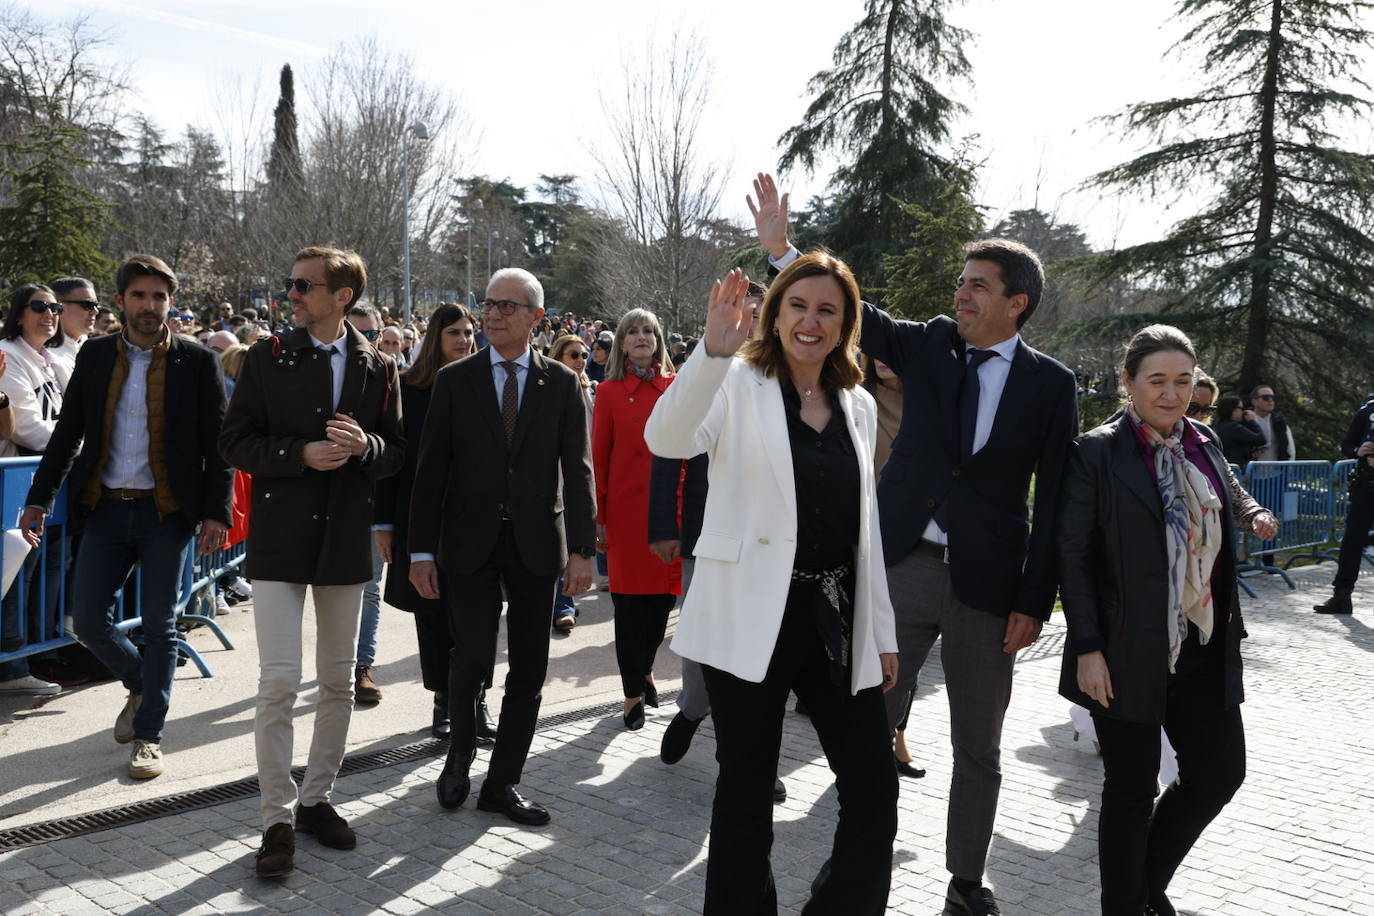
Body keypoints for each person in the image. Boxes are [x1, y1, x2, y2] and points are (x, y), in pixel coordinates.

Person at [752, 171, 1077, 916]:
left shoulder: (1052, 385)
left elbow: (1055, 498)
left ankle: (966, 884)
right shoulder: (930, 345)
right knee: (866, 728)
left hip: (990, 588)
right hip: (898, 566)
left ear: (1015, 302)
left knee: (979, 750)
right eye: (960, 283)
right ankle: (850, 873)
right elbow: (856, 312)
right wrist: (782, 253)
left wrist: (1037, 599)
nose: (960, 295)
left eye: (977, 287)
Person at [645, 261, 898, 914]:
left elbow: (862, 528)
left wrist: (883, 634)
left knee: (874, 791)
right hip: (748, 617)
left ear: (846, 324)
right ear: (776, 313)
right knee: (746, 795)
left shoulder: (859, 405)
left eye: (827, 311)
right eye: (799, 306)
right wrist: (710, 351)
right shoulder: (734, 382)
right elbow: (666, 438)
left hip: (835, 617)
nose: (811, 322)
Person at [1058, 324, 1277, 916]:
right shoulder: (1097, 451)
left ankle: (1144, 889)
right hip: (1124, 648)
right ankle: (1124, 906)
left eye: (1183, 380)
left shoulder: (1203, 440)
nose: (1172, 392)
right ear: (1129, 383)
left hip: (1201, 644)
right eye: (1157, 380)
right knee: (1129, 792)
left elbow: (1231, 494)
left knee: (1219, 772)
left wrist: (1254, 515)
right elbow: (1072, 557)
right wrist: (1087, 647)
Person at [219, 246, 404, 879]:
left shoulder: (378, 364)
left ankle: (318, 798)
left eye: (304, 285)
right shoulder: (268, 357)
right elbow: (234, 440)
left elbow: (399, 451)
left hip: (345, 542)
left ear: (342, 296)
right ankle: (276, 817)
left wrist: (367, 445)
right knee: (278, 680)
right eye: (290, 283)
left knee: (336, 679)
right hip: (279, 541)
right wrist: (298, 453)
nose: (292, 294)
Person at [20, 254, 233, 780]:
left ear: (170, 302)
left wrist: (215, 513)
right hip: (107, 509)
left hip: (168, 513)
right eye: (139, 296)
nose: (149, 306)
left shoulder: (196, 361)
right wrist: (39, 498)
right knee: (86, 620)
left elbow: (218, 446)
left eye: (159, 297)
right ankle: (141, 684)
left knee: (161, 624)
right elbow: (68, 435)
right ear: (121, 301)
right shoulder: (93, 358)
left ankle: (150, 735)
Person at [408, 267, 595, 827]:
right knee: (469, 658)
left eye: (507, 307)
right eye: (487, 304)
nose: (492, 315)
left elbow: (578, 473)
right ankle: (459, 757)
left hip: (539, 544)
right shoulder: (455, 380)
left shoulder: (561, 384)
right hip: (468, 543)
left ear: (537, 318)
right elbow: (430, 472)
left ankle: (503, 781)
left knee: (530, 667)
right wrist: (422, 552)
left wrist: (583, 551)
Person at [374, 303, 482, 739]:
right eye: (454, 332)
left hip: (475, 519)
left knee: (477, 613)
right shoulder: (407, 389)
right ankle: (444, 701)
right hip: (420, 518)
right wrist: (382, 522)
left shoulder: (484, 383)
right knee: (433, 612)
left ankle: (475, 700)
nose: (463, 340)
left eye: (469, 332)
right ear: (435, 335)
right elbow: (390, 460)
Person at [593, 309, 680, 728]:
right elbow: (599, 458)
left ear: (658, 340)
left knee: (662, 605)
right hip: (626, 518)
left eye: (649, 331)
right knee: (629, 610)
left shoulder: (677, 388)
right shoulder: (608, 392)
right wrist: (599, 517)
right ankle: (632, 694)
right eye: (633, 332)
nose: (642, 337)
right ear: (622, 344)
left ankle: (645, 668)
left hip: (668, 514)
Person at [862, 354, 925, 780]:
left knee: (905, 649)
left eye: (892, 349)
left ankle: (897, 735)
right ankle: (867, 739)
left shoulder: (927, 402)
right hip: (864, 532)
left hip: (911, 538)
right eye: (874, 349)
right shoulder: (856, 395)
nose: (883, 358)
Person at [342, 302, 387, 705]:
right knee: (334, 591)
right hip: (332, 505)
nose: (365, 343)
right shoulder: (327, 373)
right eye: (357, 334)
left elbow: (398, 447)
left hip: (374, 501)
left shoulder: (388, 376)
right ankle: (336, 668)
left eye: (371, 335)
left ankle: (363, 667)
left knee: (371, 589)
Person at [548, 333, 596, 632]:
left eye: (584, 355)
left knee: (574, 541)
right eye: (573, 355)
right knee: (557, 542)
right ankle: (562, 606)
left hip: (582, 481)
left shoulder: (592, 392)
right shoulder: (550, 391)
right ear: (558, 357)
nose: (580, 361)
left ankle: (563, 601)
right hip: (554, 480)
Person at [1313, 394, 1374, 615]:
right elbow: (1347, 444)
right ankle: (1342, 596)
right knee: (1352, 541)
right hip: (1367, 484)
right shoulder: (1368, 411)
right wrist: (1359, 451)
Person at [0, 284, 65, 457]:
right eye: (39, 307)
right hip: (17, 473)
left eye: (55, 308)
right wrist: (80, 450)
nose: (49, 314)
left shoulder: (54, 361)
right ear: (18, 316)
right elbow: (27, 428)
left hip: (56, 462)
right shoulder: (6, 354)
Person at [48, 276, 99, 390]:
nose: (95, 311)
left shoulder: (97, 349)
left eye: (96, 305)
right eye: (88, 305)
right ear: (59, 306)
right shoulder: (45, 354)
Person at [1213, 397, 1266, 467]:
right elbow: (1261, 439)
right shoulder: (1233, 427)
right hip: (1237, 471)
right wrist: (1252, 421)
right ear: (1233, 410)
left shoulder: (1219, 425)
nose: (1243, 412)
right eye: (1241, 408)